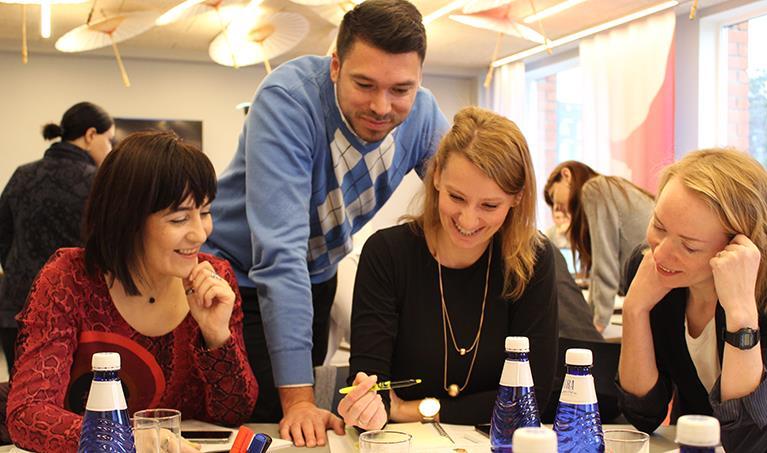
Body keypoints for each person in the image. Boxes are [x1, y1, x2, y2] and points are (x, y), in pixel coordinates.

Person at [202, 0, 448, 444]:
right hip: (235, 279)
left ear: (418, 81)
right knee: (259, 416)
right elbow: (280, 256)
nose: (381, 106)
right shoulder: (288, 101)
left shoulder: (424, 115)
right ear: (335, 66)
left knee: (306, 426)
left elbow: (464, 198)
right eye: (364, 84)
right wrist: (297, 400)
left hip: (316, 277)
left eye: (400, 90)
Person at [6, 131, 258, 452]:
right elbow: (27, 413)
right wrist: (128, 440)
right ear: (127, 219)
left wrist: (217, 336)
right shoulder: (69, 278)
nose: (200, 232)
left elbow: (233, 413)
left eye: (205, 212)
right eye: (180, 218)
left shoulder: (212, 276)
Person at [337, 107, 558, 428]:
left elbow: (530, 397)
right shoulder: (387, 254)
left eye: (489, 205)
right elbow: (373, 385)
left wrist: (412, 410)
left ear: (517, 198)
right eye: (457, 197)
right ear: (436, 175)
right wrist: (367, 405)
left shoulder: (533, 260)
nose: (468, 220)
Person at [617, 149, 767, 451]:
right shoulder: (652, 269)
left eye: (689, 246)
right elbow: (643, 415)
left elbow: (752, 441)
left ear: (740, 246)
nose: (661, 253)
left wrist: (741, 314)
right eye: (659, 226)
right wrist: (635, 310)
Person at [0, 102, 114, 373]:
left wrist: (20, 268)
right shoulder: (98, 182)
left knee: (21, 399)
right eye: (108, 140)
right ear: (90, 135)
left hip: (16, 307)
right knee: (71, 404)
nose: (110, 149)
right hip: (76, 312)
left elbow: (2, 235)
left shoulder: (23, 174)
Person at [545, 161, 654, 332]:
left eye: (553, 195)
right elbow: (600, 268)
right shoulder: (611, 187)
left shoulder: (594, 189)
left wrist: (598, 325)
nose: (557, 206)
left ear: (566, 175)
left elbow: (605, 263)